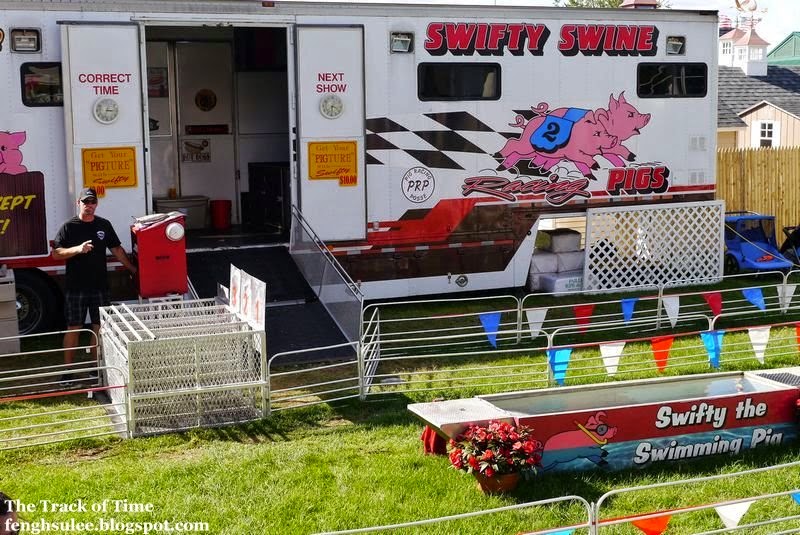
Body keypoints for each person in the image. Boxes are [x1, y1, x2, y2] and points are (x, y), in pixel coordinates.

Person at [52, 187, 137, 367]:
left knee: (99, 329)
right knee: (74, 328)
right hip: (76, 288)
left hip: (100, 286)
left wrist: (133, 269)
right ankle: (67, 372)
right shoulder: (69, 226)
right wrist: (77, 249)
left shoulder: (103, 225)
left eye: (92, 202)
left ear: (96, 204)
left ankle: (96, 369)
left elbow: (117, 250)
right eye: (85, 202)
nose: (89, 205)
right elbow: (56, 254)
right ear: (78, 203)